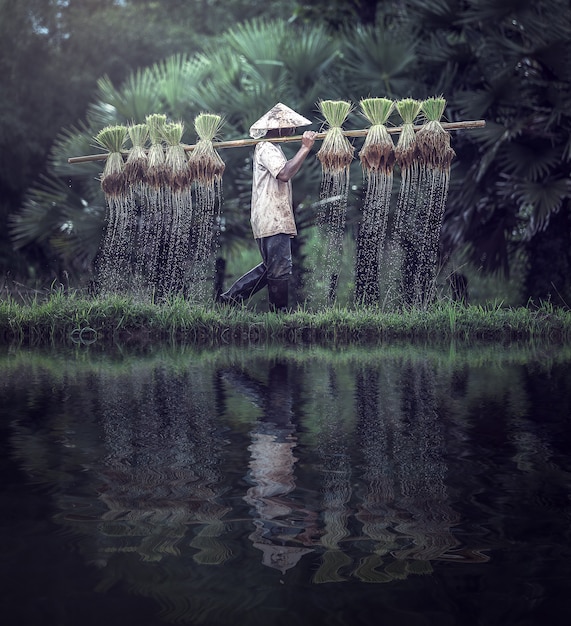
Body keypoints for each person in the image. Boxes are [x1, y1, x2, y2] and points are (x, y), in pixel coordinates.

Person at [219, 103, 317, 312]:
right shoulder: (266, 147)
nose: (293, 131)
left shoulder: (274, 148)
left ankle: (230, 299)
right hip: (272, 217)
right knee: (280, 269)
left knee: (272, 268)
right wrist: (305, 148)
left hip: (273, 217)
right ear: (279, 128)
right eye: (290, 126)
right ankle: (279, 314)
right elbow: (284, 173)